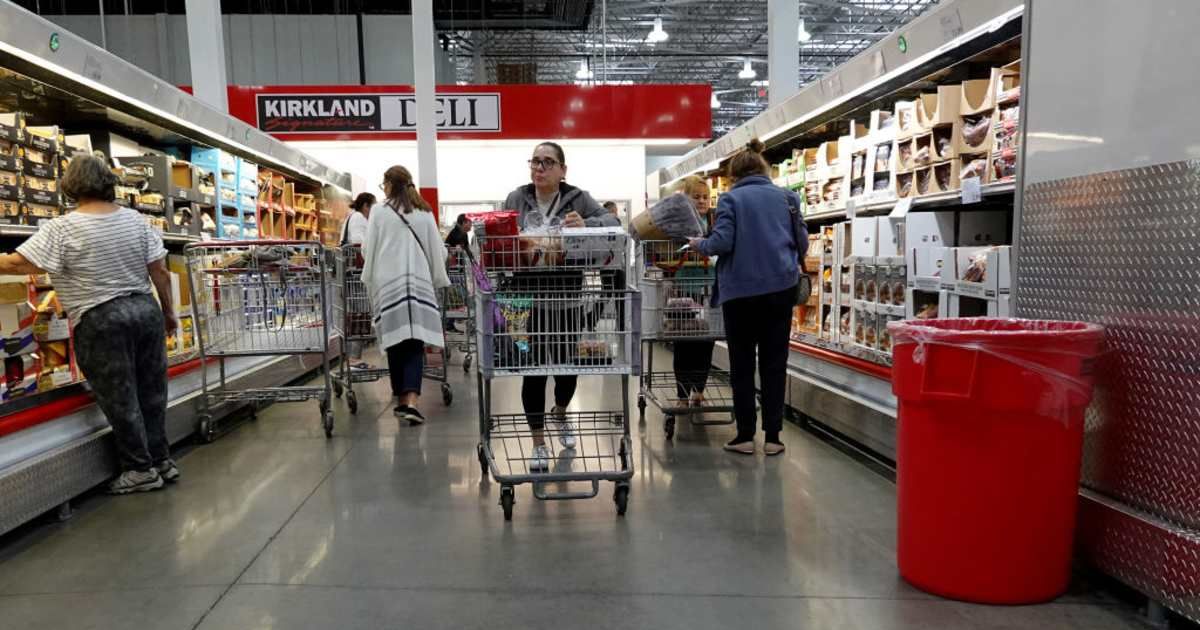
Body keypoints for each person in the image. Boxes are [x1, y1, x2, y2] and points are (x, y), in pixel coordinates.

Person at [0, 154, 178, 493]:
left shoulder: (62, 227)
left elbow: (18, 265)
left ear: (69, 186)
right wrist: (168, 313)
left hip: (102, 319)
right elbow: (160, 272)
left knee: (120, 397)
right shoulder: (137, 221)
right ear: (108, 182)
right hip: (145, 310)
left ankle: (140, 470)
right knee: (152, 393)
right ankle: (162, 461)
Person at [503, 141, 620, 471]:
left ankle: (560, 411)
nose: (539, 168)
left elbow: (610, 221)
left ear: (562, 170)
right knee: (534, 371)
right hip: (527, 300)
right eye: (535, 162)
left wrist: (586, 225)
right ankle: (538, 442)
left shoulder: (578, 197)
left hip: (568, 297)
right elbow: (501, 235)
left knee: (568, 366)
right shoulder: (517, 197)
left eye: (548, 162)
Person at [689, 139, 804, 456]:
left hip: (740, 294)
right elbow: (802, 243)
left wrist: (700, 243)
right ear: (764, 168)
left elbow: (721, 242)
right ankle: (773, 438)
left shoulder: (731, 200)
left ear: (733, 176)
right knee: (774, 363)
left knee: (742, 364)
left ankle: (744, 436)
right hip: (780, 290)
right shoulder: (788, 198)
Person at [362, 165, 450, 426]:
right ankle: (407, 400)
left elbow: (368, 249)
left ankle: (406, 398)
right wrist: (435, 274)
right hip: (419, 284)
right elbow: (438, 251)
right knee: (414, 342)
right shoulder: (424, 212)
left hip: (387, 285)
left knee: (395, 340)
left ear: (389, 183)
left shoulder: (379, 211)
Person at [672, 175, 717, 412]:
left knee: (705, 344)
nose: (701, 201)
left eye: (705, 197)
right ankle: (681, 394)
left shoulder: (716, 220)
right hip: (685, 291)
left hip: (709, 290)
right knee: (684, 344)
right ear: (686, 199)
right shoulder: (679, 223)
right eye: (696, 197)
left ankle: (698, 391)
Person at [342, 192, 376, 368]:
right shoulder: (359, 219)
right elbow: (358, 243)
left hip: (352, 274)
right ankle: (354, 358)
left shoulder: (352, 217)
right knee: (360, 314)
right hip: (356, 275)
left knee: (358, 314)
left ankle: (353, 357)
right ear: (366, 206)